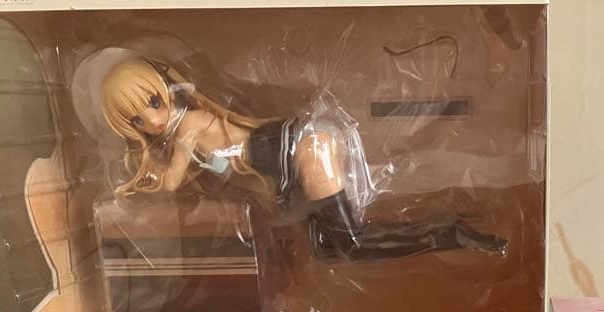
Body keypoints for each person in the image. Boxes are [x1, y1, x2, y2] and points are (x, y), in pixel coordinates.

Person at [99, 57, 507, 261]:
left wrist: (137, 183)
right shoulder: (187, 128)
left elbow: (172, 183)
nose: (153, 120)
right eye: (138, 119)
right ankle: (448, 226)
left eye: (153, 102)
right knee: (328, 249)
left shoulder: (187, 127)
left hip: (298, 151)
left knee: (350, 247)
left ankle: (451, 233)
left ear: (164, 88)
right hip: (293, 152)